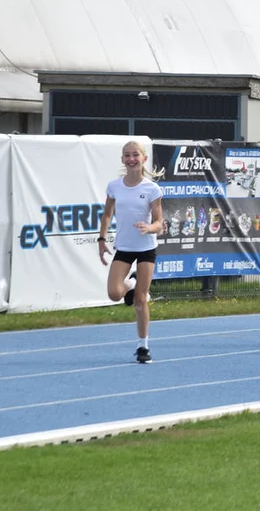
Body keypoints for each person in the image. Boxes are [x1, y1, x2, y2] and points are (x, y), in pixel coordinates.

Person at [98, 140, 164, 363]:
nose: (131, 159)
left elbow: (159, 223)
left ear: (144, 159)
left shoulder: (152, 189)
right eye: (127, 155)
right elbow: (107, 214)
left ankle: (143, 347)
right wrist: (101, 239)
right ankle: (131, 283)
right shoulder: (114, 186)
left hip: (146, 248)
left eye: (135, 155)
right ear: (122, 160)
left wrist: (149, 228)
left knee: (140, 300)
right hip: (124, 247)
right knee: (115, 294)